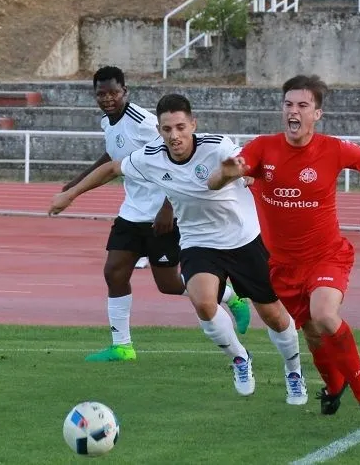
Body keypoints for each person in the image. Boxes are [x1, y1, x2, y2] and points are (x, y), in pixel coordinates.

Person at [206, 74, 360, 427]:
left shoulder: (334, 148)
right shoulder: (262, 148)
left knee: (325, 315)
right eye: (288, 104)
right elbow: (215, 181)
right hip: (283, 266)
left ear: (317, 114)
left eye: (302, 105)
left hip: (327, 255)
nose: (293, 111)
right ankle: (333, 385)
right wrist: (226, 173)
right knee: (312, 333)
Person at [50, 93, 309, 405]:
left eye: (180, 127)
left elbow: (249, 163)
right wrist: (71, 194)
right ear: (159, 130)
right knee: (202, 303)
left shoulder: (218, 146)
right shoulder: (151, 156)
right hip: (199, 243)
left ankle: (293, 372)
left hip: (243, 240)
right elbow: (112, 169)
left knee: (274, 316)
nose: (174, 135)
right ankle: (240, 358)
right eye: (167, 129)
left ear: (193, 125)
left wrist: (250, 176)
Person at [61, 66, 250, 362]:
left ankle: (230, 296)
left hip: (161, 214)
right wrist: (75, 183)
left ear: (125, 91)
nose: (108, 98)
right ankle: (122, 346)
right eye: (101, 93)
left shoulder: (145, 123)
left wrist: (167, 208)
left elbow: (174, 161)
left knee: (169, 284)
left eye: (113, 92)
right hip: (132, 212)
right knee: (113, 272)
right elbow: (112, 157)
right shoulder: (107, 122)